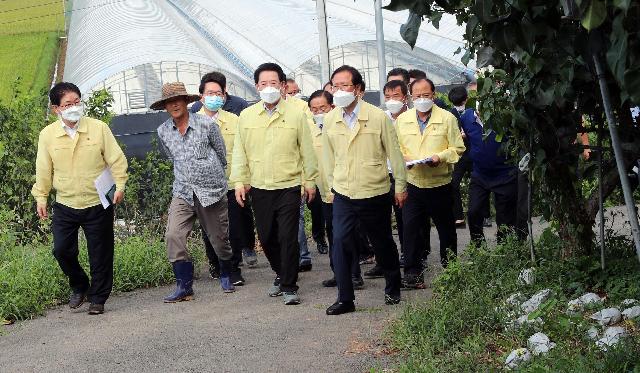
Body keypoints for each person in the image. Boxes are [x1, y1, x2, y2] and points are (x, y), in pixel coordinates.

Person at [33, 82, 128, 315]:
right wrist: (41, 197)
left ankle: (98, 298)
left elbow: (117, 159)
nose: (74, 107)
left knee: (101, 252)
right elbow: (44, 169)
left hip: (97, 201)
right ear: (56, 109)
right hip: (66, 202)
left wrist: (120, 184)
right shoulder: (48, 136)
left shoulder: (98, 128)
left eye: (77, 102)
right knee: (61, 250)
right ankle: (80, 285)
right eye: (68, 104)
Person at [231, 63, 318, 306]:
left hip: (289, 184)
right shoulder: (247, 117)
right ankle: (281, 273)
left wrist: (309, 180)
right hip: (260, 186)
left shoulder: (297, 114)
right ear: (257, 86)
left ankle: (290, 285)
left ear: (282, 86)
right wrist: (240, 181)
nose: (269, 88)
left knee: (288, 236)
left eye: (274, 83)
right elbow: (240, 151)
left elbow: (307, 150)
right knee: (267, 237)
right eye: (264, 83)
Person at [323, 65, 407, 315]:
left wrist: (400, 185)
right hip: (343, 192)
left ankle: (393, 285)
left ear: (358, 89)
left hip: (374, 191)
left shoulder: (377, 117)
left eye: (345, 86)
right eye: (335, 86)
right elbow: (328, 158)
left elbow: (395, 154)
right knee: (339, 241)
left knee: (381, 241)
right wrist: (330, 188)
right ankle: (345, 298)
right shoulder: (330, 119)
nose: (339, 91)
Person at [155, 82, 236, 302]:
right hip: (183, 191)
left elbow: (221, 154)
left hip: (210, 191)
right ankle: (184, 286)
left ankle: (226, 273)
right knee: (173, 235)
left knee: (219, 239)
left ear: (186, 101)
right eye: (169, 102)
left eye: (178, 100)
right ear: (165, 106)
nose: (174, 105)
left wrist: (211, 176)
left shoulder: (206, 124)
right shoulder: (163, 131)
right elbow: (172, 158)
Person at [396, 78, 465, 288]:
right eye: (417, 96)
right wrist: (403, 159)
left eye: (426, 95)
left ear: (433, 95)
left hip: (440, 184)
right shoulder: (403, 119)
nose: (421, 99)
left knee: (446, 229)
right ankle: (412, 273)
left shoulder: (447, 118)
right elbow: (396, 147)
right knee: (410, 230)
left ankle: (451, 269)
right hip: (414, 183)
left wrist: (440, 157)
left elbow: (458, 148)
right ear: (410, 97)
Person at [197, 72, 258, 287]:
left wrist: (245, 179)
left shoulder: (234, 121)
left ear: (224, 96)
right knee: (209, 230)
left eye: (218, 93)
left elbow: (245, 151)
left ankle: (233, 268)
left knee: (233, 228)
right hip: (203, 186)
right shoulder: (193, 122)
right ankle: (215, 263)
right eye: (209, 93)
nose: (214, 96)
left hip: (231, 183)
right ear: (201, 96)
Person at [308, 90, 365, 289]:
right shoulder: (310, 130)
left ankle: (354, 274)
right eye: (314, 109)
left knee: (347, 234)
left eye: (322, 108)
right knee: (333, 234)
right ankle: (338, 272)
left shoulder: (340, 126)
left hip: (344, 189)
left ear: (332, 106)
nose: (318, 112)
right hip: (324, 192)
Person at [451, 86, 518, 244]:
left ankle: (505, 248)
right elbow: (463, 135)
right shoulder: (467, 117)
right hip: (480, 174)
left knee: (504, 217)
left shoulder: (503, 119)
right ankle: (478, 246)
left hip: (505, 174)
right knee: (474, 211)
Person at [448, 86, 474, 227]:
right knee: (453, 184)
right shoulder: (450, 115)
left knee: (479, 183)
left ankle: (483, 215)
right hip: (460, 155)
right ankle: (458, 216)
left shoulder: (474, 111)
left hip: (473, 152)